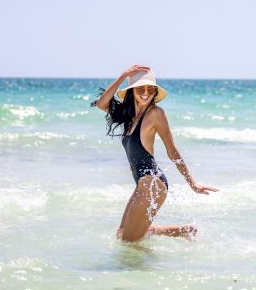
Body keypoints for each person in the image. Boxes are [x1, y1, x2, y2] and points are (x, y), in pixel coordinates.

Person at [93, 64, 218, 242]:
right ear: (132, 91)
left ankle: (143, 268)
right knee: (122, 233)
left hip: (153, 185)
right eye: (140, 89)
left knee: (129, 242)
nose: (146, 93)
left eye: (150, 90)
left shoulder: (156, 114)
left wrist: (192, 183)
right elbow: (101, 104)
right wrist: (123, 76)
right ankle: (184, 231)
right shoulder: (129, 116)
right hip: (142, 185)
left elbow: (172, 151)